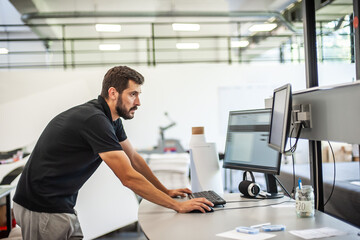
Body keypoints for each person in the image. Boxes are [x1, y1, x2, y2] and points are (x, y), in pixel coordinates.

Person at [13, 66, 213, 239]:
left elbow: (134, 159)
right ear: (113, 93)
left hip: (56, 203)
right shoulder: (95, 120)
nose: (138, 102)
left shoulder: (112, 120)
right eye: (133, 94)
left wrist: (165, 191)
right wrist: (176, 205)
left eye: (139, 95)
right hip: (40, 207)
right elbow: (128, 177)